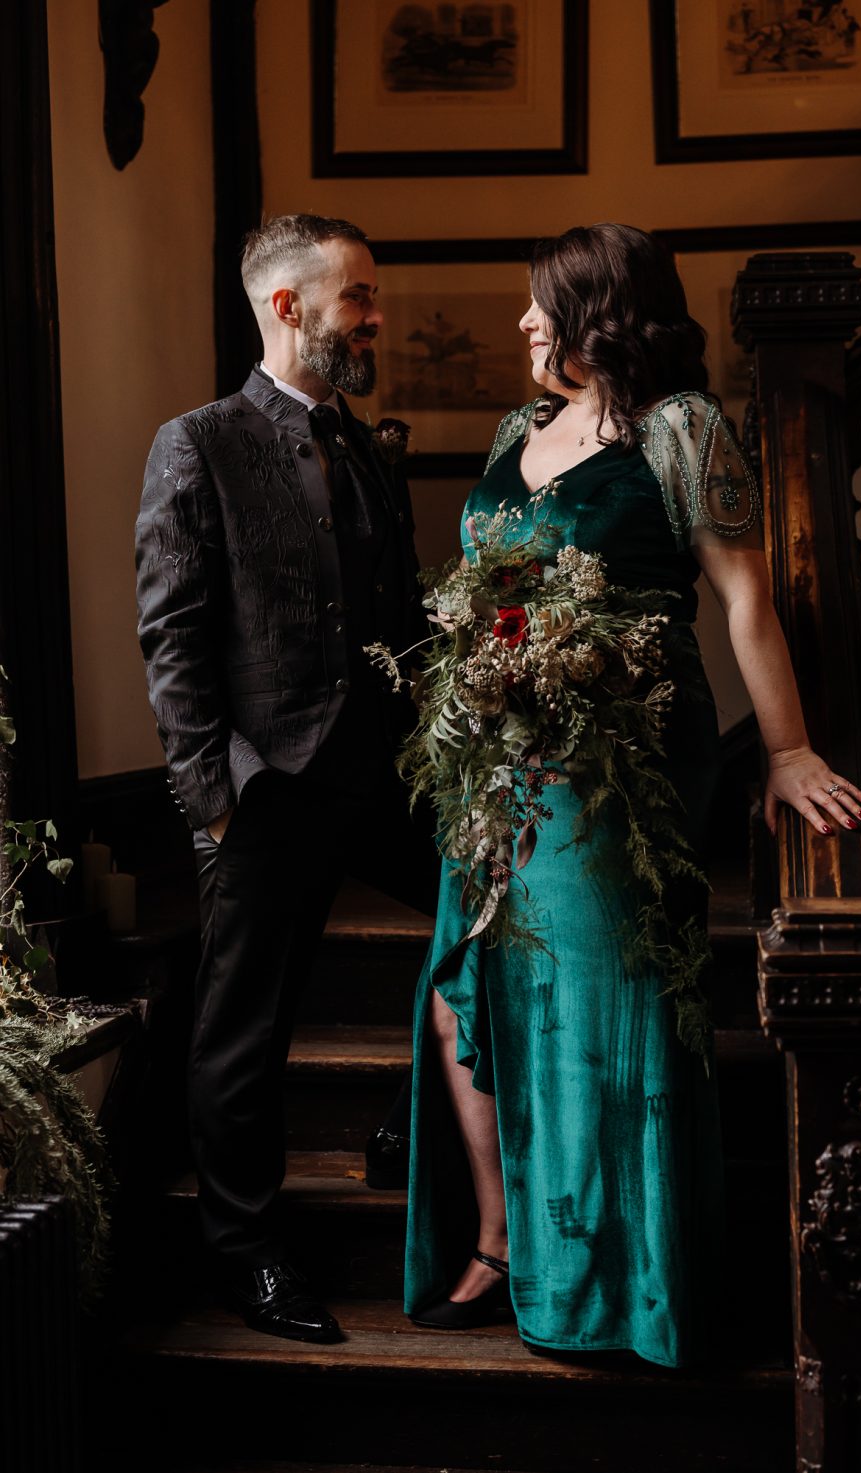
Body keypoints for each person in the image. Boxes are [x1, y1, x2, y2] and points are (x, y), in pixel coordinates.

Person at [403, 223, 861, 1364]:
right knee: (460, 994)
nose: (521, 323)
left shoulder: (679, 429)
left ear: (600, 311)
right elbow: (483, 591)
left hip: (619, 765)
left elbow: (744, 603)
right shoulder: (520, 429)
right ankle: (504, 1238)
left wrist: (789, 750)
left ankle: (621, 1282)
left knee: (595, 1008)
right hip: (496, 762)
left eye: (539, 304)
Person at [135, 214, 438, 1344]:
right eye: (356, 295)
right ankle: (247, 1255)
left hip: (384, 772)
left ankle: (413, 1125)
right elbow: (172, 635)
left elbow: (398, 622)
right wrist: (212, 794)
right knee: (242, 1033)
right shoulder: (198, 443)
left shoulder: (368, 446)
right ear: (287, 307)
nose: (373, 315)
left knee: (496, 917)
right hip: (265, 785)